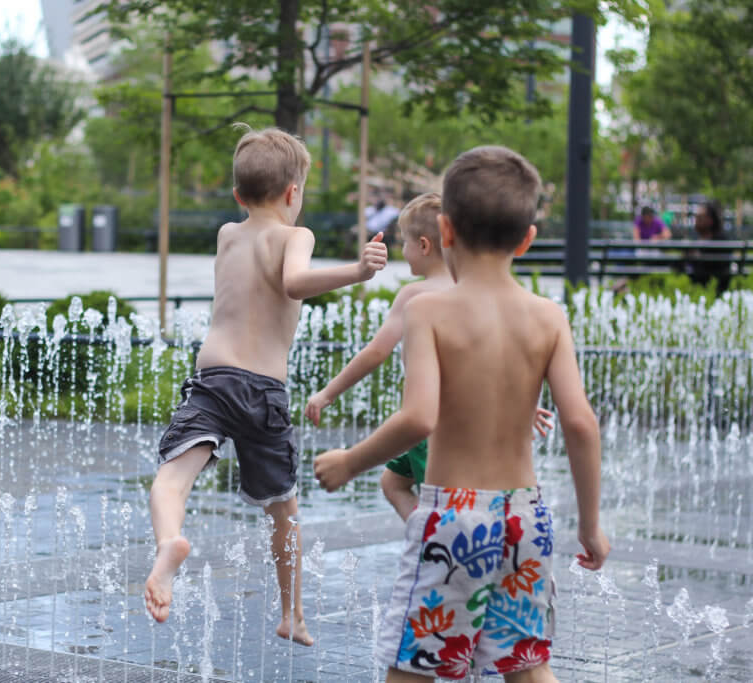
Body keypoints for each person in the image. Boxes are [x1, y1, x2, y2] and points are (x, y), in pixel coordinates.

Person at [314, 146, 609, 681]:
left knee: (415, 666)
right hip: (525, 517)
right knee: (527, 666)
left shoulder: (428, 309)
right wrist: (590, 525)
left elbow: (419, 417)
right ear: (527, 239)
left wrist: (350, 462)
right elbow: (581, 424)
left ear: (444, 231)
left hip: (453, 518)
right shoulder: (549, 316)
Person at [144, 126, 390, 646]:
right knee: (284, 511)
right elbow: (293, 283)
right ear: (293, 193)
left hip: (213, 378)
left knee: (171, 478)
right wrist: (357, 271)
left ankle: (169, 542)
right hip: (263, 389)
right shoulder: (296, 236)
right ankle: (292, 613)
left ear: (237, 195)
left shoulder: (227, 235)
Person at [305, 192, 553, 522]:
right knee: (395, 481)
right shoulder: (476, 292)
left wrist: (327, 393)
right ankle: (445, 541)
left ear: (423, 246)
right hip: (481, 422)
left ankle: (433, 545)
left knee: (446, 507)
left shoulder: (414, 296)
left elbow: (376, 352)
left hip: (432, 428)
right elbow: (493, 359)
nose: (401, 251)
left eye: (402, 242)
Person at [687, 200, 732, 292]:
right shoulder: (697, 241)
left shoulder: (720, 241)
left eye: (700, 218)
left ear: (710, 220)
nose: (696, 221)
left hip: (715, 286)